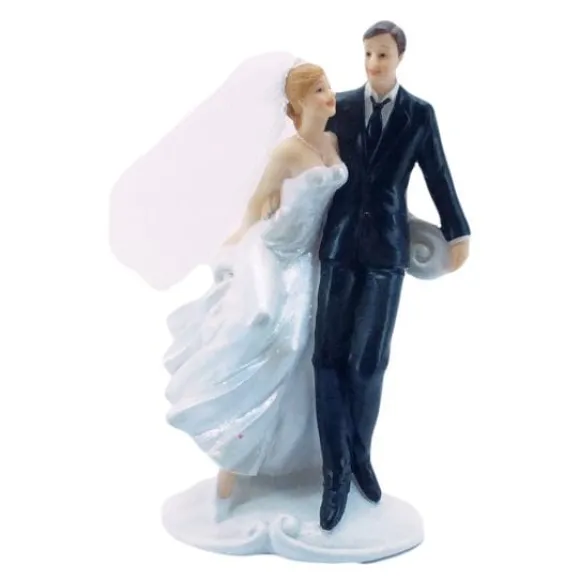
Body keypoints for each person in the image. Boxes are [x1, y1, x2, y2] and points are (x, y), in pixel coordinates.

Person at [109, 52, 348, 518]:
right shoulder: (286, 153)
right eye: (318, 90)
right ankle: (231, 449)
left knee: (308, 353)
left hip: (312, 259)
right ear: (298, 104)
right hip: (278, 250)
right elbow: (259, 203)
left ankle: (297, 457)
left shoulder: (334, 141)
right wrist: (239, 244)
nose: (329, 96)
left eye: (327, 86)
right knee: (266, 331)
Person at [312, 20, 472, 530]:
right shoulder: (341, 106)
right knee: (327, 359)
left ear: (399, 56)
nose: (373, 63)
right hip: (338, 246)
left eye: (382, 54)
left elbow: (438, 173)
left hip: (386, 250)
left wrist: (457, 232)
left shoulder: (419, 114)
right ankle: (335, 473)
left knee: (369, 363)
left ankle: (361, 454)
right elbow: (308, 149)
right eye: (367, 54)